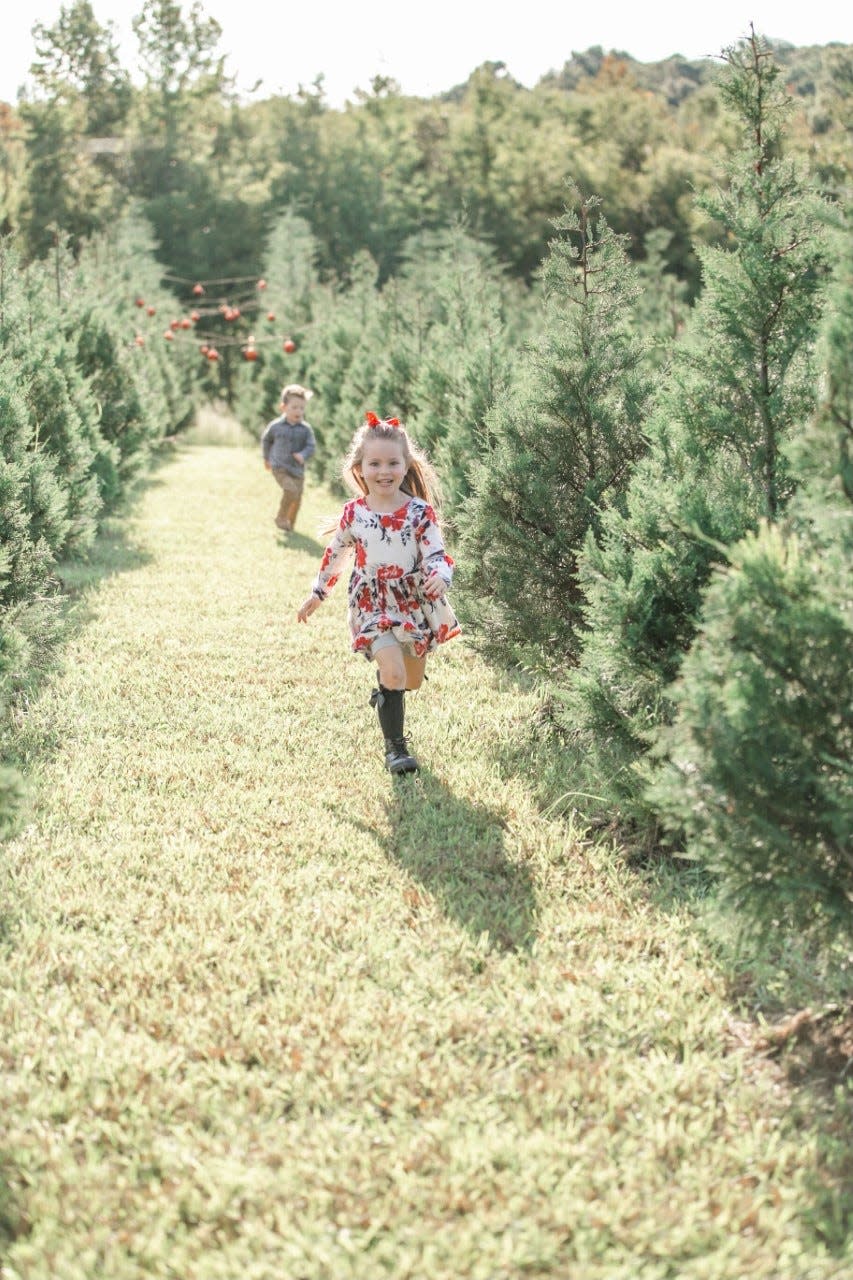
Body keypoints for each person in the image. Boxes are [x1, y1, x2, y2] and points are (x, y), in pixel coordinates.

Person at [297, 412, 461, 775]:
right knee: (393, 670)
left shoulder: (420, 512)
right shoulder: (355, 513)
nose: (383, 470)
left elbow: (436, 553)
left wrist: (439, 575)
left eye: (392, 462)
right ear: (360, 468)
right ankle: (396, 750)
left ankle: (385, 696)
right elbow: (336, 553)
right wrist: (317, 593)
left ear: (406, 466)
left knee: (409, 679)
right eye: (374, 463)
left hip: (413, 600)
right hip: (371, 600)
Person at [261, 384, 317, 532]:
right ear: (283, 407)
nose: (299, 411)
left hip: (297, 470)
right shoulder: (276, 426)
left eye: (302, 408)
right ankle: (281, 517)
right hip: (280, 466)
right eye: (294, 407)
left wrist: (303, 455)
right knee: (290, 490)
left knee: (297, 499)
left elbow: (311, 446)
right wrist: (266, 458)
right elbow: (266, 440)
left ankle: (289, 525)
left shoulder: (306, 429)